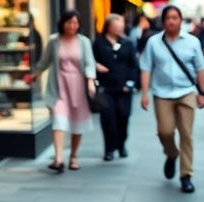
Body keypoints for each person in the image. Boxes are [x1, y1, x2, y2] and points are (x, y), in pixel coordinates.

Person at [140, 5, 204, 193]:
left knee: (186, 134)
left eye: (175, 18)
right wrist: (145, 94)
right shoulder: (153, 42)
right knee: (165, 132)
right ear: (163, 22)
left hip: (186, 92)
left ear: (181, 20)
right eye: (168, 18)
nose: (171, 21)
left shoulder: (192, 42)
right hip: (162, 94)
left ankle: (186, 175)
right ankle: (171, 154)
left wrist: (203, 93)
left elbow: (200, 69)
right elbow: (146, 68)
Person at [29, 9, 97, 172]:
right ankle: (59, 158)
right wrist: (36, 74)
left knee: (77, 123)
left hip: (78, 86)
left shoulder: (83, 41)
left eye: (75, 22)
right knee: (58, 121)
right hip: (59, 86)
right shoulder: (54, 40)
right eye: (69, 22)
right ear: (62, 23)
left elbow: (89, 62)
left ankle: (73, 156)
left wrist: (90, 81)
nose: (72, 26)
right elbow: (45, 61)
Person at [94, 13, 140, 161]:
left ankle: (121, 144)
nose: (119, 29)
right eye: (116, 26)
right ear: (108, 26)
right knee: (108, 119)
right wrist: (96, 66)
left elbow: (134, 65)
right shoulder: (99, 42)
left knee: (123, 116)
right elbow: (89, 61)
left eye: (121, 26)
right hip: (106, 88)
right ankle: (109, 148)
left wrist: (130, 83)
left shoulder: (127, 43)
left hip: (124, 88)